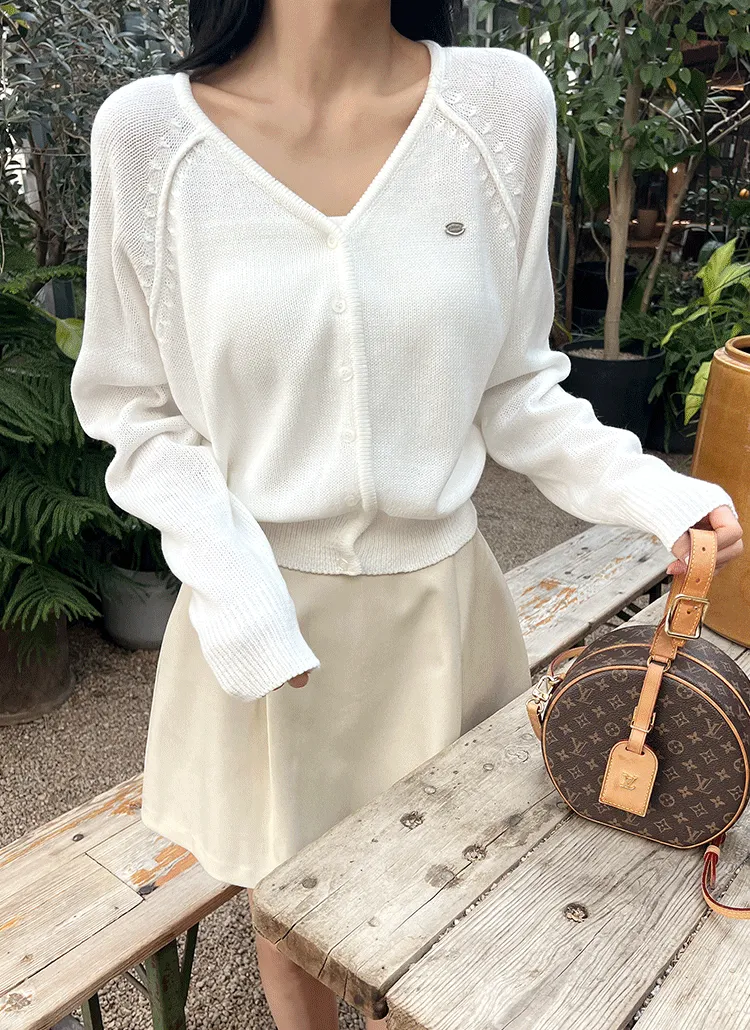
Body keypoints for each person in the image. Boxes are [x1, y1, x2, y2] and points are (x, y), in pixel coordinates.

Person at [69, 1, 743, 1027]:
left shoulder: (500, 106)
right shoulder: (148, 136)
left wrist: (657, 494)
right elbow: (136, 410)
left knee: (447, 929)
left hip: (440, 626)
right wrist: (239, 593)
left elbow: (515, 386)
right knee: (291, 913)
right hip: (261, 630)